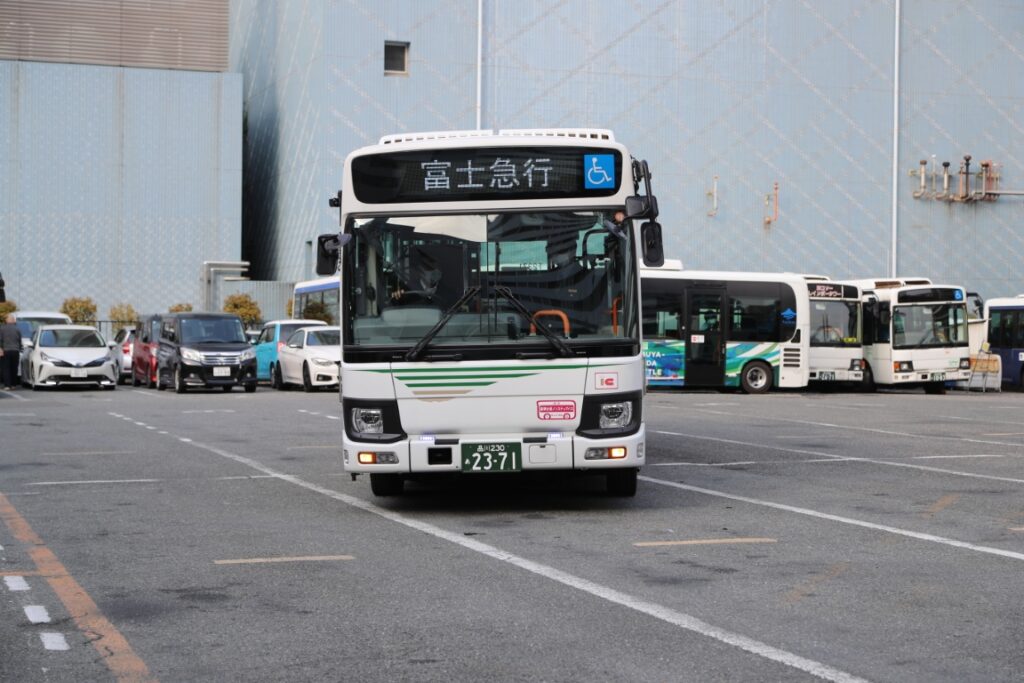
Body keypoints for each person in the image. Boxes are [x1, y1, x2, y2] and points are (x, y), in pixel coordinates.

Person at [0, 313, 21, 390]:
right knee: (14, 368)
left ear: (6, 320)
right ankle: (13, 385)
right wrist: (19, 348)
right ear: (14, 321)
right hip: (15, 351)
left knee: (6, 368)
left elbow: (0, 340)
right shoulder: (17, 329)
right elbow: (19, 340)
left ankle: (7, 385)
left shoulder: (2, 328)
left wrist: (0, 349)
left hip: (5, 350)